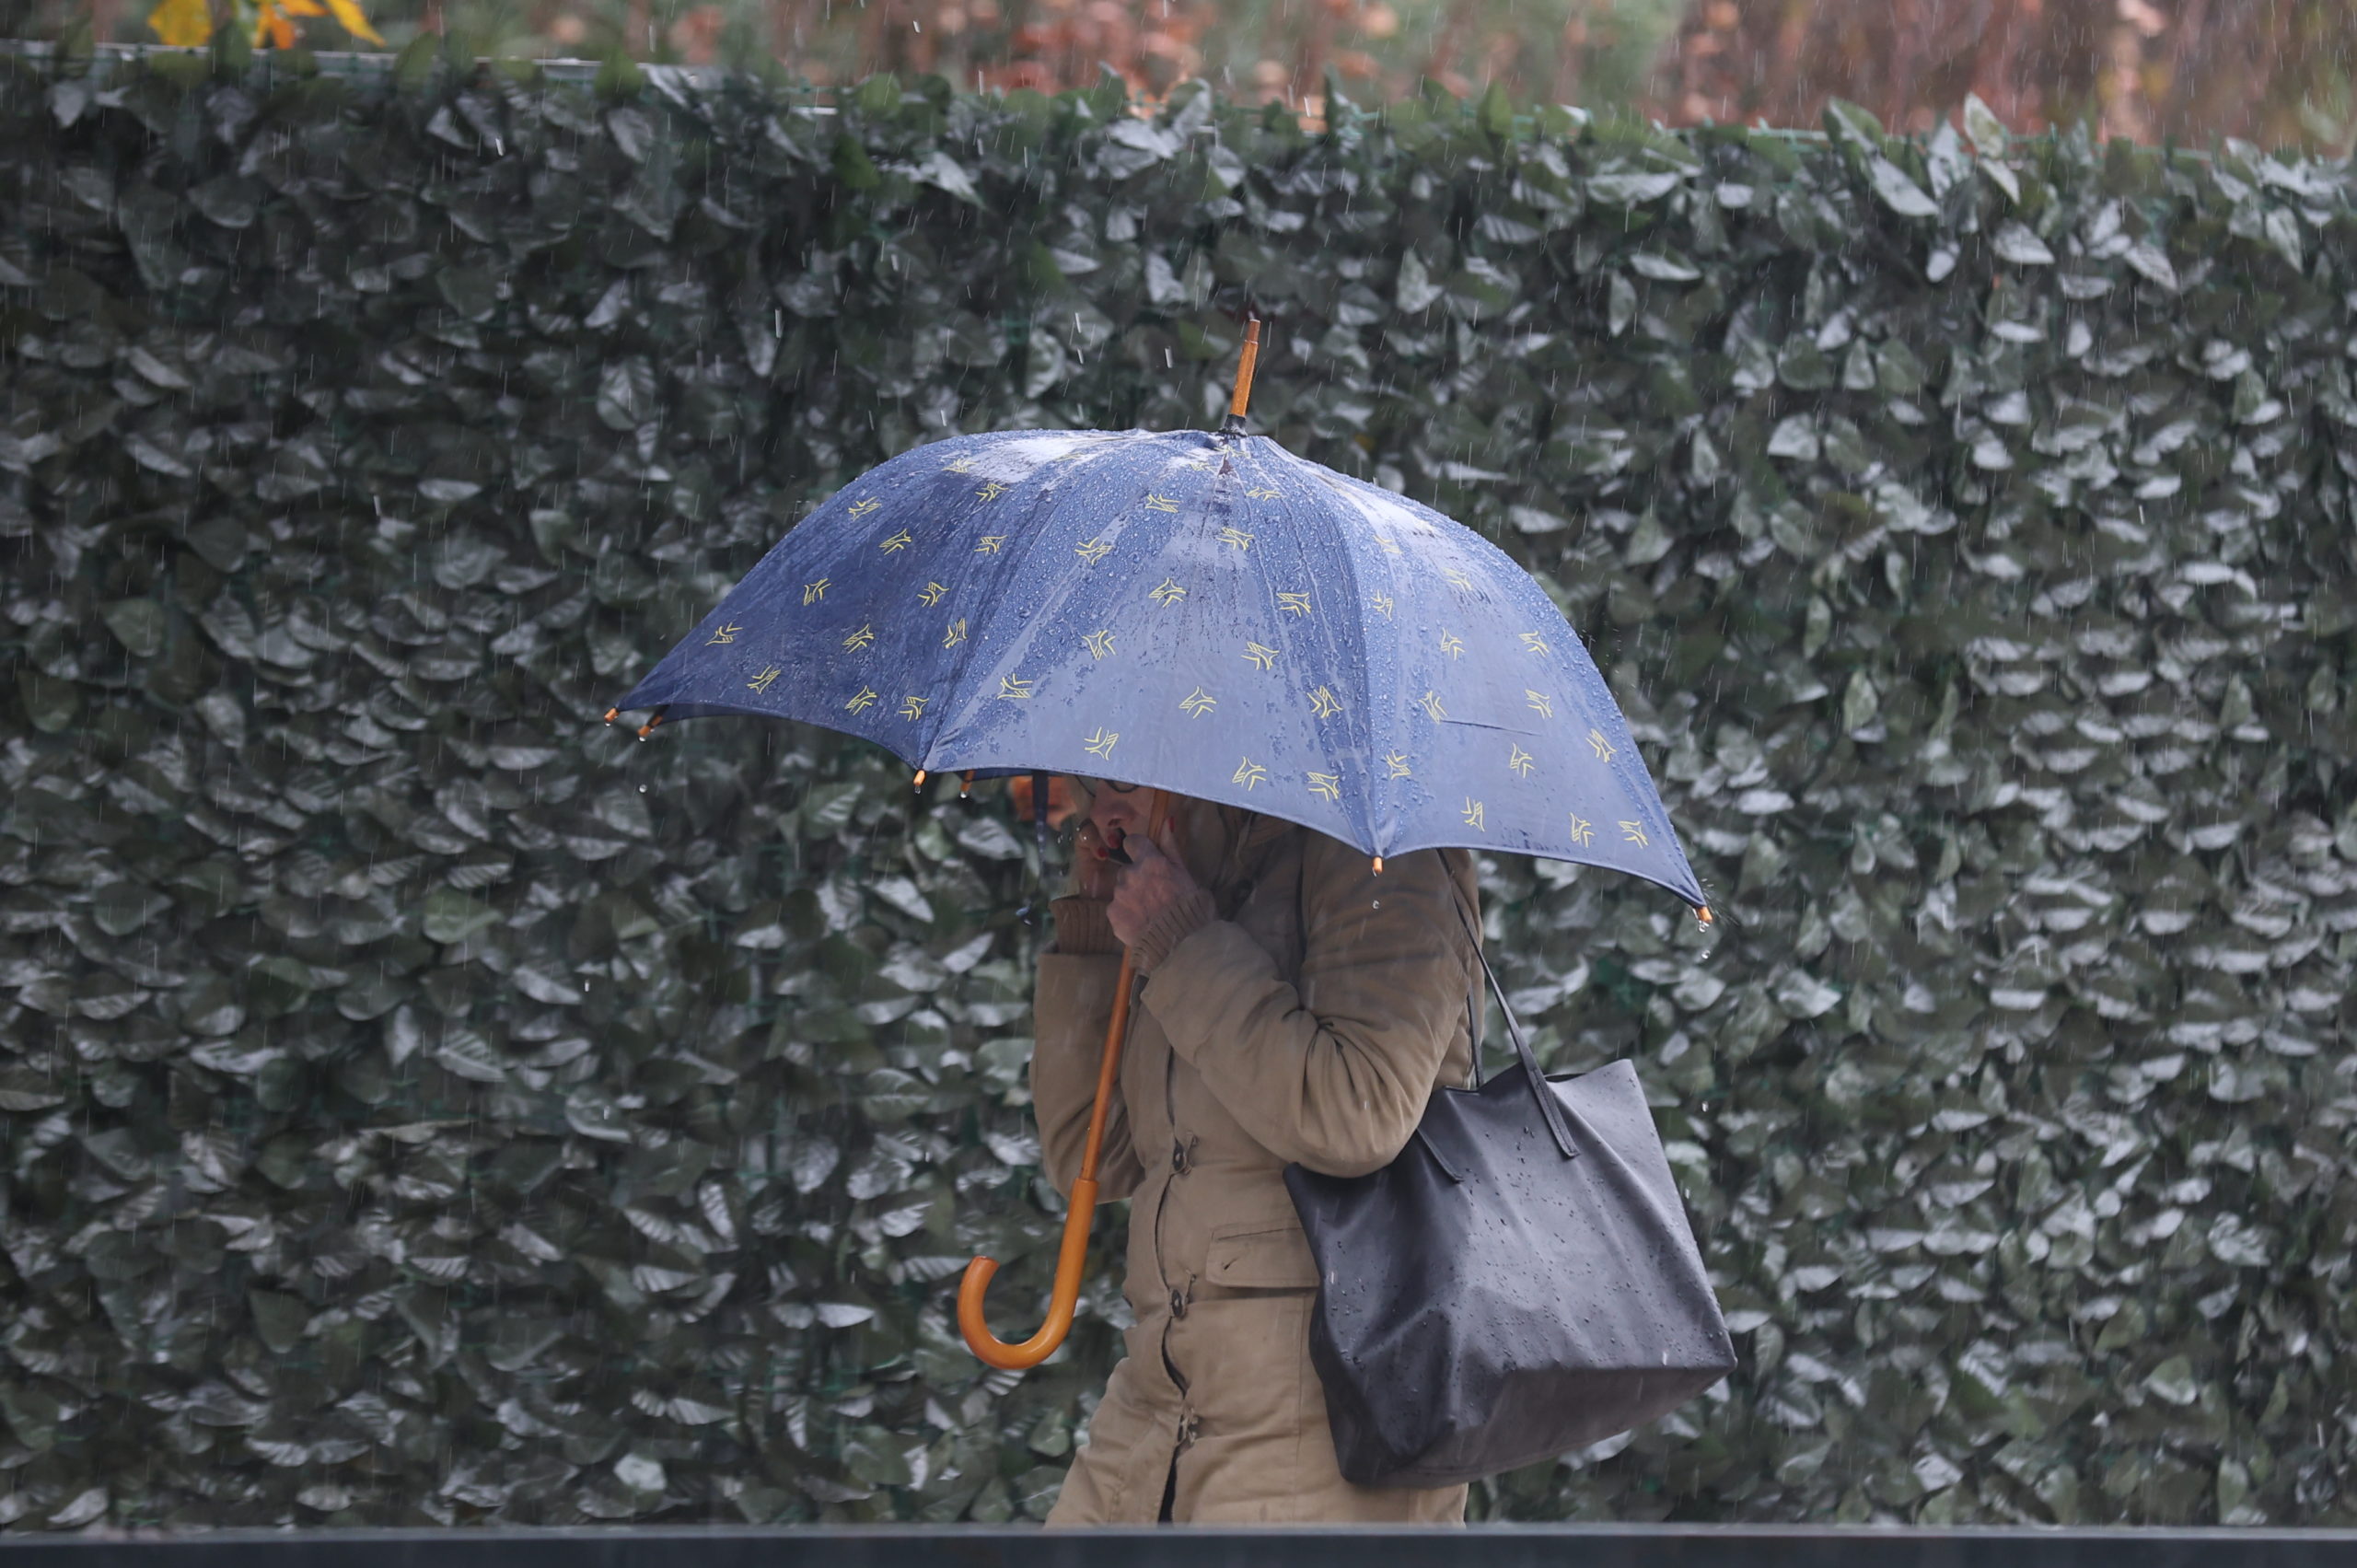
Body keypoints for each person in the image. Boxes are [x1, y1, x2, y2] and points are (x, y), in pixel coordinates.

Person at [1029, 776, 1482, 1525]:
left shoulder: (1384, 842)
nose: (1101, 812)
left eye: (1119, 782)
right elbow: (1091, 1150)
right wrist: (1094, 918)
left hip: (1326, 1434)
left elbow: (1357, 1113)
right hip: (1151, 1422)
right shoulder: (1191, 861)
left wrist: (1183, 940)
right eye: (1090, 789)